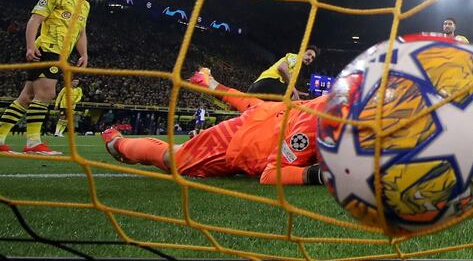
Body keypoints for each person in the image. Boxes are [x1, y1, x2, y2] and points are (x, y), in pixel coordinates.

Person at [101, 68, 326, 185]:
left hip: (268, 115)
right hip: (239, 141)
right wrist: (319, 175)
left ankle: (205, 80)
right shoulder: (310, 129)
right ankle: (118, 142)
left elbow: (251, 103)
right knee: (175, 160)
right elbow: (270, 175)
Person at [0, 0, 91, 155]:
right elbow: (35, 19)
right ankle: (33, 143)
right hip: (47, 49)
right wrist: (30, 45)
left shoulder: (85, 5)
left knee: (26, 97)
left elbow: (81, 32)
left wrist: (83, 54)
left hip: (61, 54)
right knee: (47, 94)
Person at [247, 46, 319, 100]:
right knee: (292, 98)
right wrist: (293, 90)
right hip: (267, 82)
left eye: (312, 58)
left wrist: (296, 91)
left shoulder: (298, 69)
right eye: (309, 54)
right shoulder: (295, 57)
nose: (310, 58)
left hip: (262, 88)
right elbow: (282, 68)